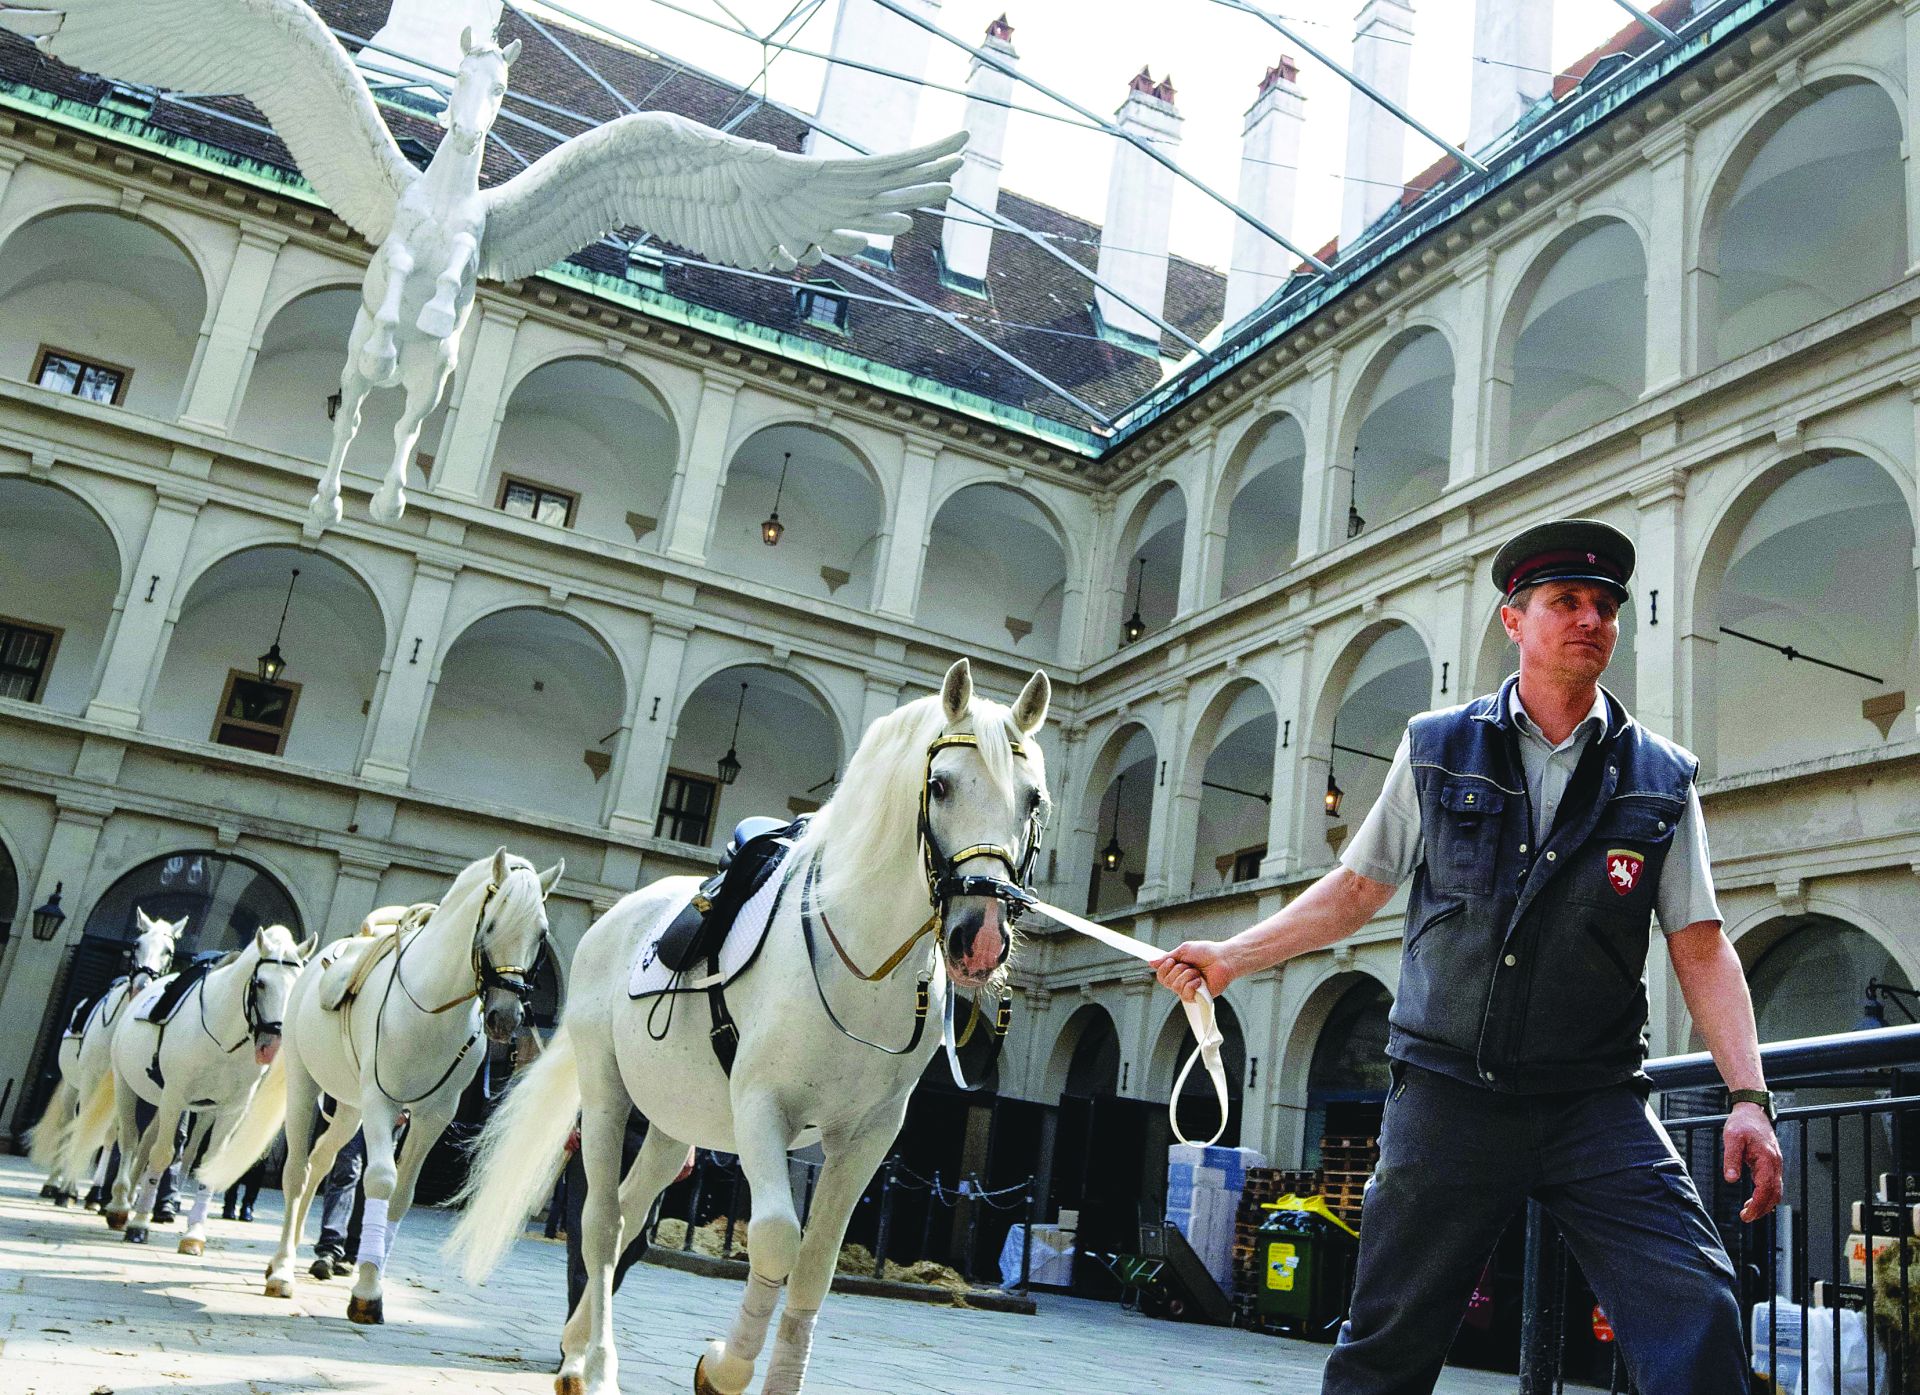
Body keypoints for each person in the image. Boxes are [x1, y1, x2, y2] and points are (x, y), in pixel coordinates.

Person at [1154, 519, 1782, 1395]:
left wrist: (1749, 1098)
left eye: (1605, 606)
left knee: (1700, 1303)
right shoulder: (1437, 746)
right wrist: (1229, 955)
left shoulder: (1662, 777)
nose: (1592, 619)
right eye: (1567, 601)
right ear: (1512, 621)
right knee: (1386, 1346)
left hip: (1592, 1102)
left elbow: (1703, 948)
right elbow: (1355, 888)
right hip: (1448, 1093)